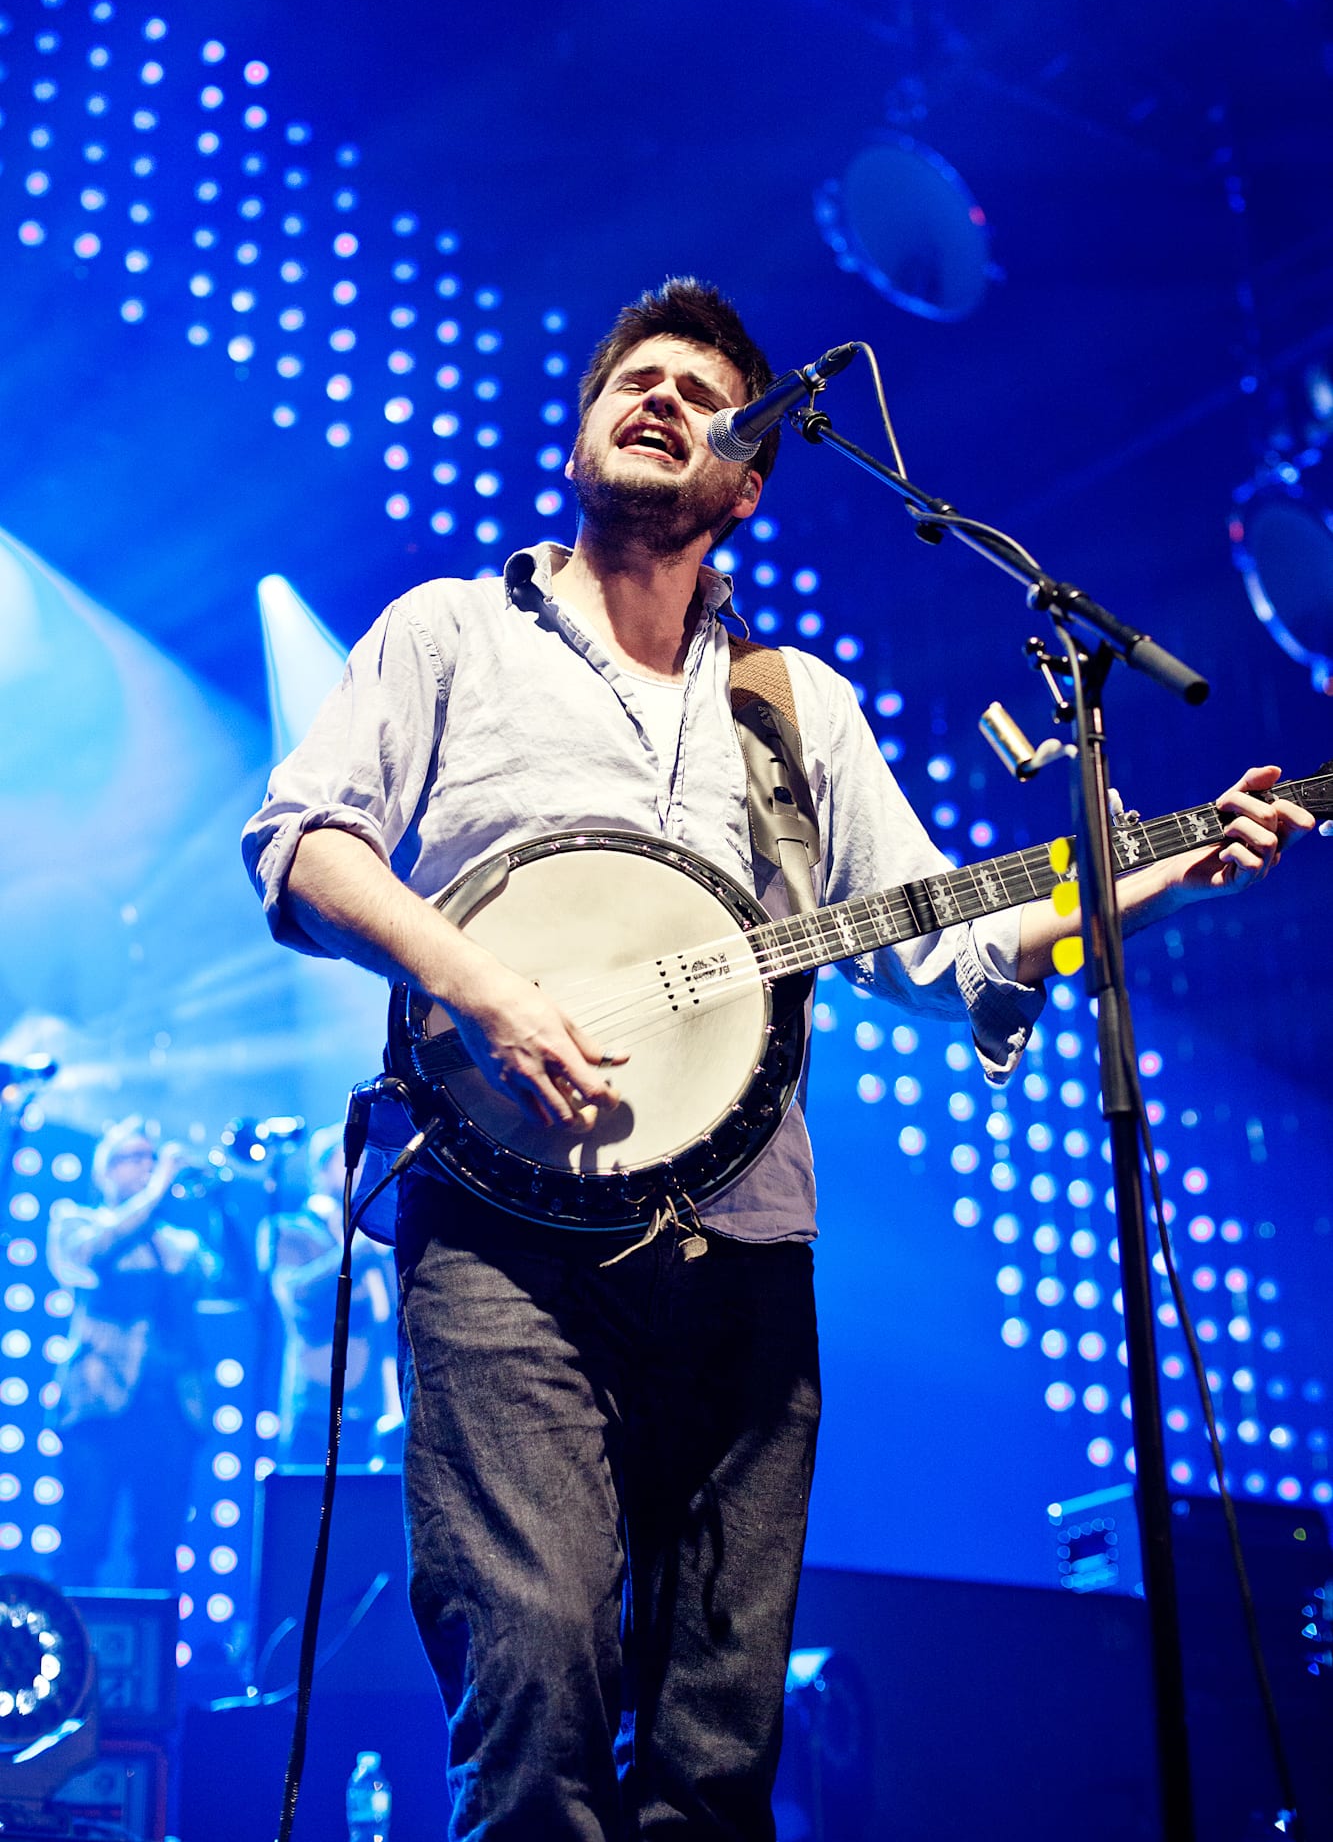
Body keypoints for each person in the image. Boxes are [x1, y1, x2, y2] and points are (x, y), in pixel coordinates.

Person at [241, 278, 1312, 1840]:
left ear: (747, 481)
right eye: (634, 379)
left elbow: (946, 944)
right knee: (535, 1686)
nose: (661, 398)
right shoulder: (449, 631)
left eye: (702, 394)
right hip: (499, 1241)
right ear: (582, 433)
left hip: (739, 1250)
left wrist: (1157, 872)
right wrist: (483, 990)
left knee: (716, 1749)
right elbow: (301, 846)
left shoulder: (792, 705)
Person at [49, 1115, 222, 1589]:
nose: (148, 1165)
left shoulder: (179, 1242)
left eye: (153, 1158)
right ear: (104, 1171)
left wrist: (221, 1206)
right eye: (135, 1157)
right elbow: (92, 1255)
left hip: (171, 1410)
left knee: (159, 1551)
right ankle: (71, 1638)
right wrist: (162, 1183)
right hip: (97, 1403)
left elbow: (233, 1284)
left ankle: (150, 1642)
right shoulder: (77, 1220)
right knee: (84, 1539)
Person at [257, 1122, 400, 1466]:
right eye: (352, 1158)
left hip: (379, 1407)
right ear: (321, 1171)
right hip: (319, 1410)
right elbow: (297, 1295)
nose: (363, 1168)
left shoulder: (376, 1233)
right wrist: (362, 1249)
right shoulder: (288, 1230)